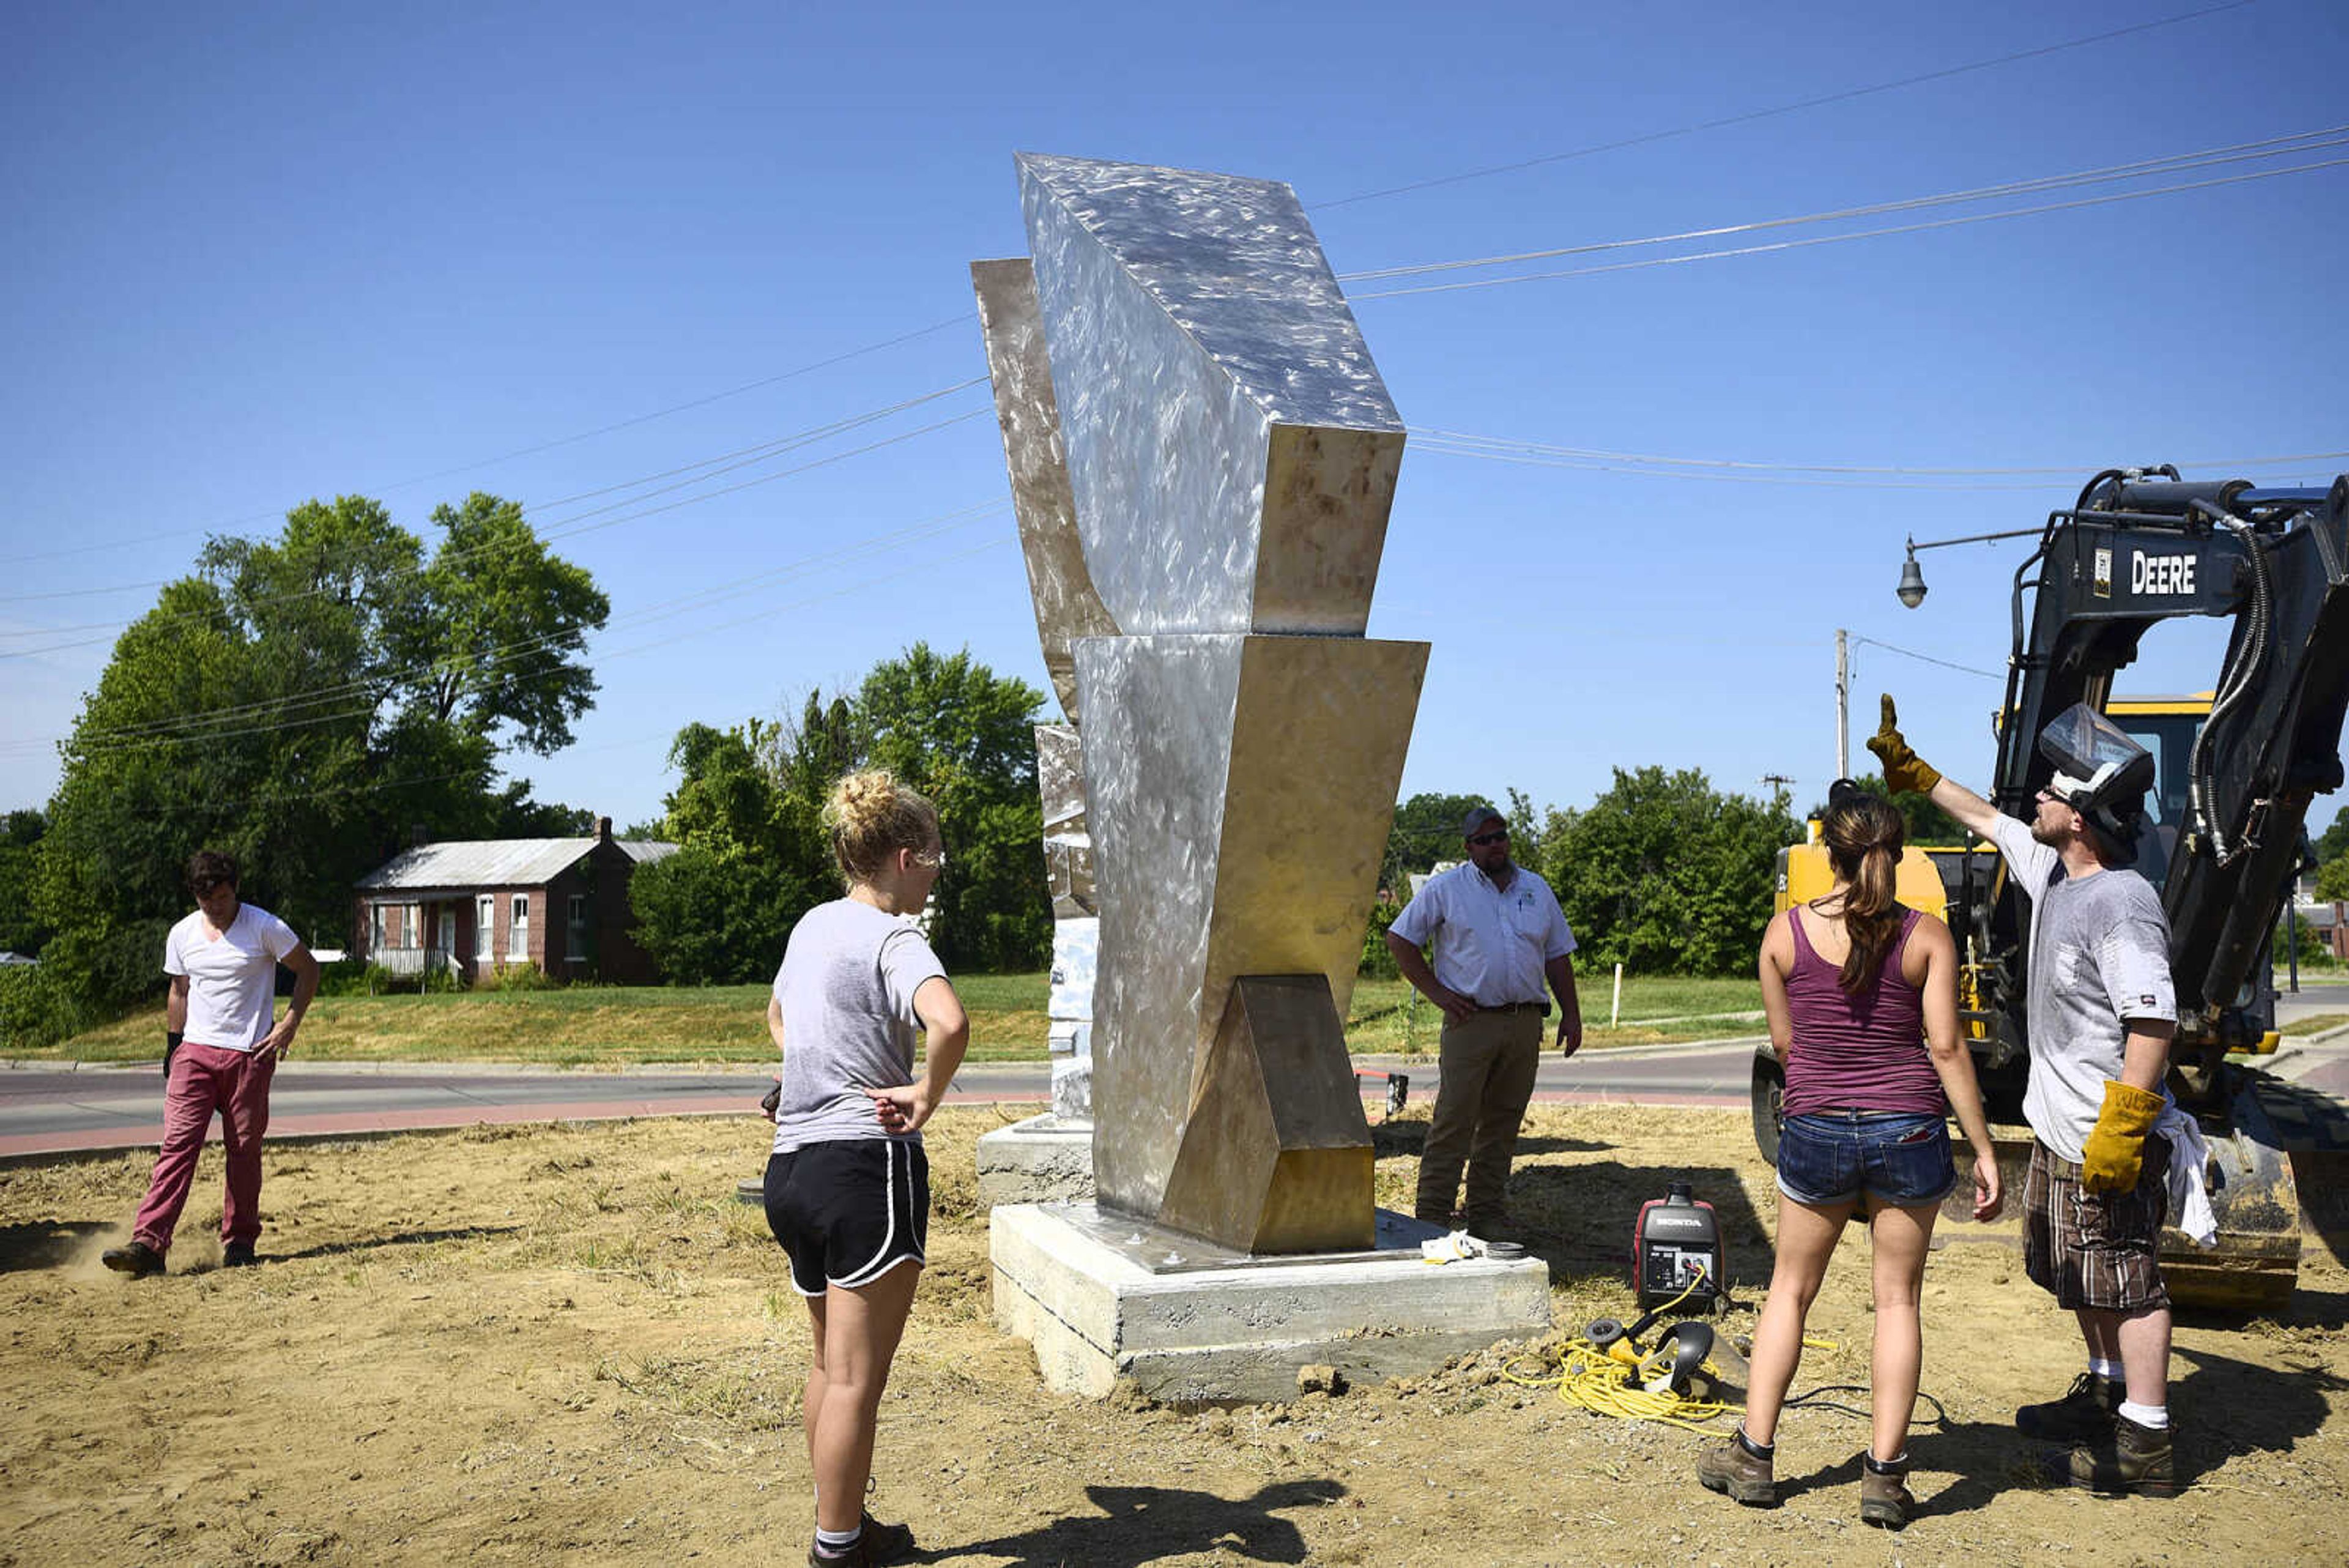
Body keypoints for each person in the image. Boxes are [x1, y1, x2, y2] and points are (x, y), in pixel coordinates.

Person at [1871, 694, 2185, 1497]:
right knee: (2081, 1274)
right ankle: (2108, 1389)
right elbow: (1984, 815)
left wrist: (2123, 1127)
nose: (2036, 797)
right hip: (2061, 1125)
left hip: (2101, 1131)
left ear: (2080, 816)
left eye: (2052, 790)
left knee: (2128, 1276)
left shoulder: (2121, 900)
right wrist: (1917, 774)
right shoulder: (2054, 872)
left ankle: (2145, 1440)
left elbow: (2153, 1022)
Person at [1696, 784, 2002, 1527]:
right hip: (1909, 1131)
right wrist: (1984, 1148)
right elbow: (1947, 1048)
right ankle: (1885, 1479)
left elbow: (1787, 1045)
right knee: (1896, 1300)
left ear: (1826, 852)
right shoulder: (1927, 936)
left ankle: (1754, 1458)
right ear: (1894, 854)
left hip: (1817, 1130)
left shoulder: (1781, 935)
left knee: (1789, 1293)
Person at [763, 770, 969, 1567]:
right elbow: (949, 1021)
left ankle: (842, 1523)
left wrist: (813, 1071)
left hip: (794, 1171)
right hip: (864, 1171)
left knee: (826, 1365)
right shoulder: (896, 936)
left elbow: (780, 1015)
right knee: (855, 1378)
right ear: (905, 856)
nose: (936, 876)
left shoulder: (814, 925)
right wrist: (925, 1092)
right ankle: (838, 1549)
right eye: (936, 861)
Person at [102, 849, 319, 1277]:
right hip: (195, 1053)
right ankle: (148, 1243)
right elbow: (179, 991)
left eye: (221, 897)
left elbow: (308, 970)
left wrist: (290, 1023)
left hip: (250, 1054)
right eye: (206, 901)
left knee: (243, 1149)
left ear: (234, 888)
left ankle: (239, 1241)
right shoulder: (182, 933)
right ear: (195, 896)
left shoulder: (264, 926)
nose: (215, 908)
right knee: (177, 1145)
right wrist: (173, 1046)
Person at [1384, 803, 1583, 1239]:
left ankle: (1486, 1215)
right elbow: (1399, 939)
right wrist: (1438, 993)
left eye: (1501, 835)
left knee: (1503, 1121)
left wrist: (1572, 1012)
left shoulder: (1535, 889)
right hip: (1470, 1021)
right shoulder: (1446, 889)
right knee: (1454, 1120)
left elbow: (1557, 954)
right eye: (1485, 839)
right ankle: (1431, 1217)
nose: (1496, 845)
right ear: (1468, 847)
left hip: (1525, 1021)